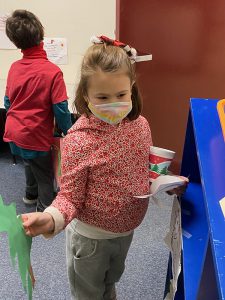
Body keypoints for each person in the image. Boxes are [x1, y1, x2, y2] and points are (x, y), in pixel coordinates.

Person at [22, 35, 188, 299]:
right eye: (102, 96)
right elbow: (70, 196)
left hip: (126, 231)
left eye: (121, 94)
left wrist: (166, 183)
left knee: (110, 282)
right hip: (91, 240)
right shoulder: (78, 140)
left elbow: (144, 170)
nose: (114, 103)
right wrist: (51, 217)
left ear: (132, 88)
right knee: (88, 293)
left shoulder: (140, 125)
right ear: (85, 96)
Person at [3, 10, 72, 212]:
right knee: (44, 174)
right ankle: (44, 211)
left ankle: (29, 195)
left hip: (14, 132)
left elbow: (8, 102)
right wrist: (68, 131)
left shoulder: (14, 67)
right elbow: (60, 108)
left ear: (16, 43)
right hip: (35, 135)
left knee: (28, 162)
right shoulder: (52, 71)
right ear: (41, 36)